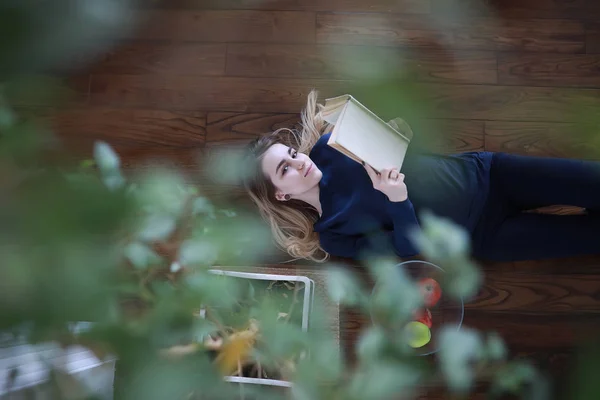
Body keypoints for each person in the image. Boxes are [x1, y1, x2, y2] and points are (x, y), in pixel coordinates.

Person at [242, 90, 600, 263]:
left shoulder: (329, 144)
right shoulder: (333, 234)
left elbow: (409, 147)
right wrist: (397, 200)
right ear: (281, 195)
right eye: (284, 169)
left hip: (490, 175)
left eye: (291, 154)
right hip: (480, 236)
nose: (298, 161)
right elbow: (407, 251)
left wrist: (398, 131)